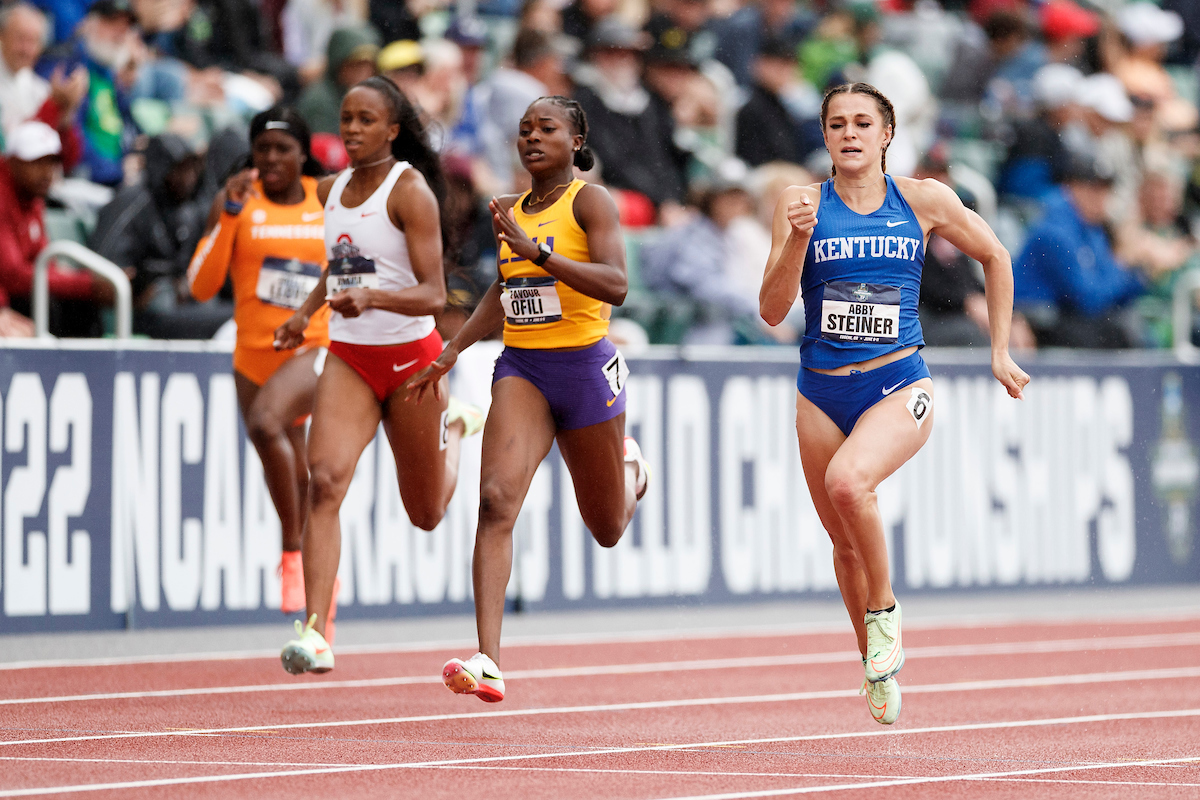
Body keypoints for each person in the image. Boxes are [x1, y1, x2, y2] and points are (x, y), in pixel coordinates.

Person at [759, 83, 1029, 726]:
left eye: (862, 123)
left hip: (898, 383)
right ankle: (873, 663)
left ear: (886, 135)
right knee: (844, 544)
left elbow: (995, 256)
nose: (849, 134)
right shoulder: (800, 203)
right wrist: (797, 241)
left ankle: (883, 611)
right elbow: (771, 310)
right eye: (837, 124)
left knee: (849, 483)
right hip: (820, 390)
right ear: (825, 136)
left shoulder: (924, 199)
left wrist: (999, 350)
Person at [406, 96, 649, 704]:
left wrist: (539, 251)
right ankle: (488, 658)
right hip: (523, 367)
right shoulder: (509, 210)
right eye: (524, 130)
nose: (532, 137)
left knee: (608, 527)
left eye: (547, 128)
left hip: (584, 368)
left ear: (576, 140)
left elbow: (617, 285)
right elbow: (504, 285)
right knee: (494, 501)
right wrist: (453, 348)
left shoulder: (590, 202)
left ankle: (631, 468)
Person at [276, 76, 482, 674]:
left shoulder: (409, 191)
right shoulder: (331, 190)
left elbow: (433, 294)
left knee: (427, 513)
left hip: (413, 361)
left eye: (366, 120)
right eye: (346, 118)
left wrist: (372, 298)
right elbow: (340, 266)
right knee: (325, 482)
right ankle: (316, 633)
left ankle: (457, 428)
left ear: (393, 130)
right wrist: (305, 313)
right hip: (350, 359)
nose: (352, 129)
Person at [187, 106, 331, 617]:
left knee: (267, 423)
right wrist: (228, 214)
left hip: (315, 346)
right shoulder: (237, 201)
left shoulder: (324, 197)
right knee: (293, 470)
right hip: (252, 355)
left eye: (283, 149)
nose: (271, 159)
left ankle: (292, 553)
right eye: (262, 149)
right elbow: (200, 287)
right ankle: (319, 581)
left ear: (302, 154)